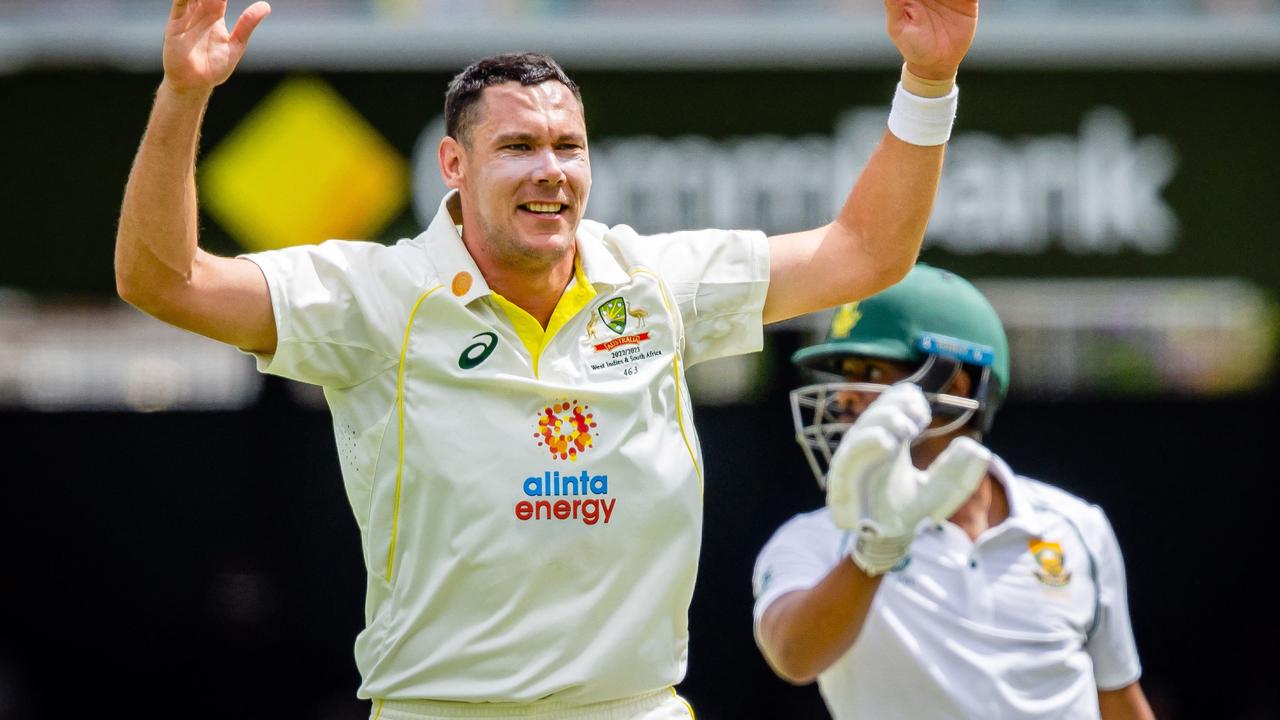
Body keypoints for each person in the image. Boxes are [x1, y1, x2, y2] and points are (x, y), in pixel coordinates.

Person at [114, 0, 980, 717]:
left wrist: (930, 79)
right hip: (442, 708)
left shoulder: (654, 282)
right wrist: (183, 95)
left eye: (569, 147)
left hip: (636, 706)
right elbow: (165, 280)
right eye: (518, 148)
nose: (551, 172)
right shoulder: (375, 295)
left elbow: (865, 252)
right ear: (453, 164)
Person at [751, 264, 1156, 719]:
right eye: (840, 376)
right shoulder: (817, 538)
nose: (843, 398)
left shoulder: (1077, 526)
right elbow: (793, 654)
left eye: (868, 371)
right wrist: (876, 551)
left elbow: (1118, 699)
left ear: (955, 386)